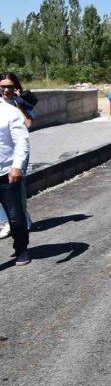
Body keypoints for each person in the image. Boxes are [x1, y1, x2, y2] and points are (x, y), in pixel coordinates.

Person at [0, 72, 35, 238]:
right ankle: (7, 221)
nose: (6, 90)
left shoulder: (20, 102)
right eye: (3, 86)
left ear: (16, 87)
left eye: (10, 86)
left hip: (18, 152)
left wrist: (20, 103)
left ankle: (22, 214)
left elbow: (28, 124)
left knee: (17, 186)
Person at [0, 98, 30, 265]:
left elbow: (21, 141)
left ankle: (21, 248)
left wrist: (17, 166)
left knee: (14, 215)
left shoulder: (9, 111)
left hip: (6, 172)